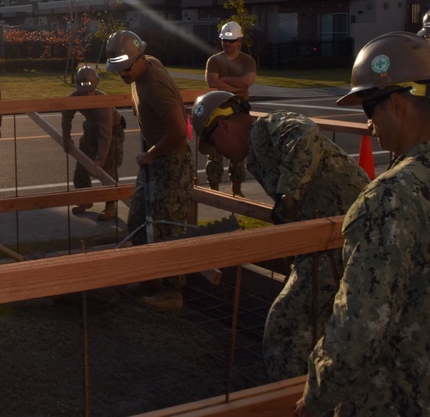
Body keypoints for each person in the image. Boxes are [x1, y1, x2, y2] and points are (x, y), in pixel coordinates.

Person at [295, 31, 430, 416]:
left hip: (393, 397)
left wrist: (316, 397)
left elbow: (360, 327)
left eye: (369, 111)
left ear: (398, 105)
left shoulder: (390, 198)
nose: (370, 126)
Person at [190, 90, 368, 382]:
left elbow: (306, 134)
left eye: (214, 144)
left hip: (347, 233)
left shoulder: (269, 126)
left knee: (286, 326)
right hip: (326, 242)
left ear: (224, 126)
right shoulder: (255, 156)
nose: (218, 153)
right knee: (324, 324)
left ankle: (292, 398)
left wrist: (288, 194)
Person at [105, 30, 193, 313]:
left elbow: (180, 131)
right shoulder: (144, 66)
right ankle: (148, 277)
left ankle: (173, 291)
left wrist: (150, 154)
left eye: (126, 68)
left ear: (140, 57)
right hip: (155, 160)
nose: (123, 74)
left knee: (168, 227)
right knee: (139, 219)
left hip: (172, 162)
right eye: (118, 70)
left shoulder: (155, 84)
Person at [61, 66, 125, 219]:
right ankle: (85, 201)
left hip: (112, 131)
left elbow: (105, 136)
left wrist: (100, 159)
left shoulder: (103, 104)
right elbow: (66, 116)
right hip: (91, 128)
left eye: (90, 90)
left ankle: (110, 206)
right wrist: (66, 138)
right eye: (84, 91)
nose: (87, 94)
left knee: (108, 168)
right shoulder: (74, 98)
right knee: (82, 164)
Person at [203, 21, 256, 195]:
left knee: (239, 151)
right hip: (217, 112)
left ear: (239, 41)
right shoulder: (214, 60)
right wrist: (237, 85)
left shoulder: (247, 60)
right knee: (215, 153)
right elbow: (212, 82)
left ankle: (237, 189)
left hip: (239, 113)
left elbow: (248, 81)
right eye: (225, 40)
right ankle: (214, 189)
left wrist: (224, 81)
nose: (227, 44)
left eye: (231, 41)